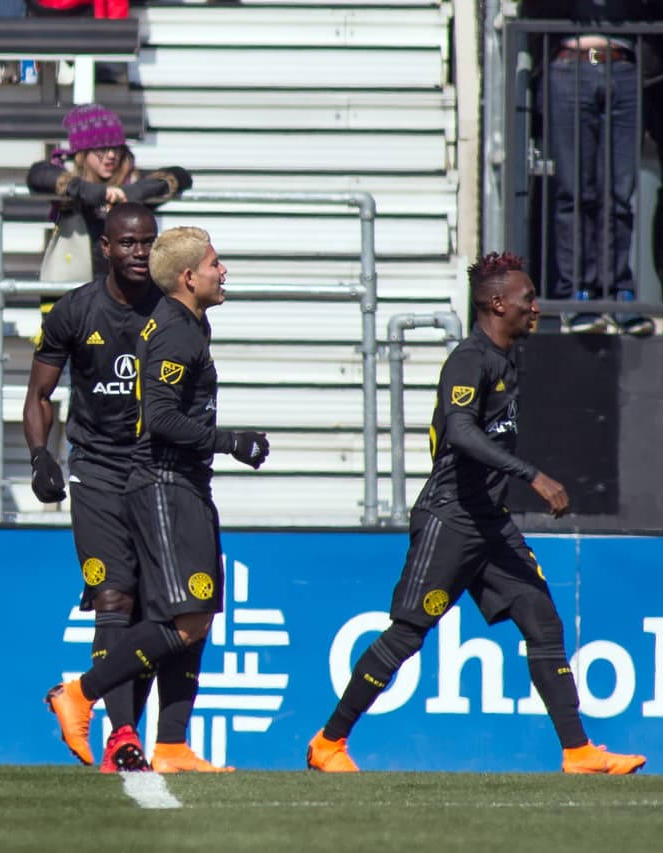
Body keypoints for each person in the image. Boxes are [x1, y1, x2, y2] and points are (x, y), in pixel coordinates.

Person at [305, 252, 646, 775]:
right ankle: (329, 742)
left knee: (543, 623)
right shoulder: (470, 359)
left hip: (490, 521)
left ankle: (578, 753)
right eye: (527, 298)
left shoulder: (508, 358)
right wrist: (530, 473)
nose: (535, 307)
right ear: (496, 303)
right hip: (451, 518)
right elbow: (460, 432)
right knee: (407, 634)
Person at [45, 226, 270, 771]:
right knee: (183, 618)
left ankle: (170, 744)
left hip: (188, 482)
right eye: (216, 263)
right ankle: (80, 694)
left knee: (200, 616)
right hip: (164, 484)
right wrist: (230, 441)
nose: (224, 272)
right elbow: (162, 418)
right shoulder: (174, 331)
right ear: (189, 277)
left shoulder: (190, 323)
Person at [24, 203, 166, 773]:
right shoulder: (74, 310)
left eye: (148, 243)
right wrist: (41, 457)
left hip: (159, 473)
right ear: (105, 247)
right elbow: (39, 397)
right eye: (128, 243)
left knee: (160, 612)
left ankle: (131, 724)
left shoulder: (175, 311)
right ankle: (123, 734)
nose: (138, 252)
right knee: (113, 598)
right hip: (97, 471)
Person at [528, 1, 654, 335]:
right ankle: (577, 294)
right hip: (570, 65)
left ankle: (619, 294)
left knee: (619, 195)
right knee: (574, 192)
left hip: (623, 67)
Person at [27, 103, 191, 283]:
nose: (111, 155)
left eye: (116, 148)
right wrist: (93, 192)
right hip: (76, 291)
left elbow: (180, 176)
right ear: (82, 152)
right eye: (102, 148)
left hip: (127, 294)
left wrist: (132, 192)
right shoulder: (69, 181)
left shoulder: (132, 182)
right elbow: (37, 174)